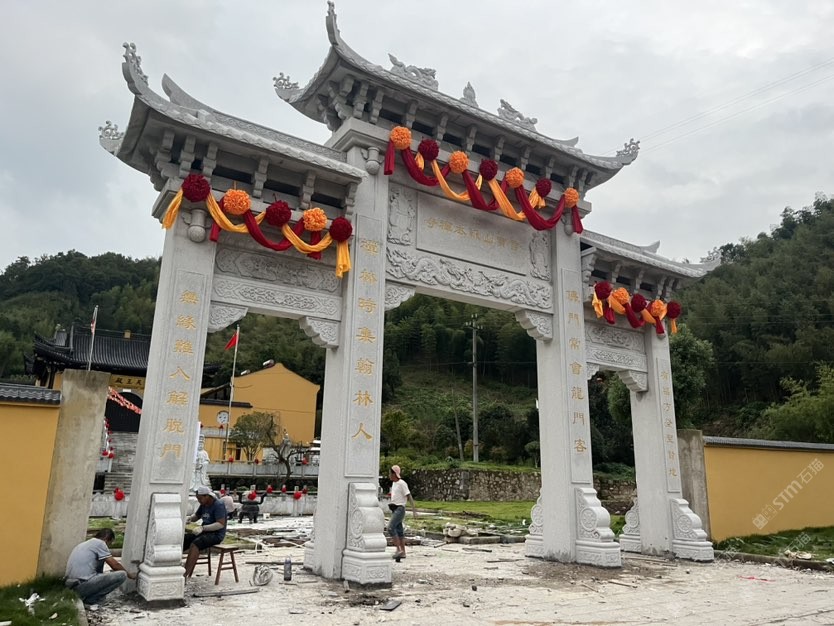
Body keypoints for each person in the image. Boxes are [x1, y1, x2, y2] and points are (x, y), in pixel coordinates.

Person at [65, 528, 135, 605]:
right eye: (109, 544)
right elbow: (115, 565)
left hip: (71, 586)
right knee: (122, 575)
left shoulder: (84, 544)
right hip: (81, 586)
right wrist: (130, 575)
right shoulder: (100, 543)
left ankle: (89, 597)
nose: (108, 547)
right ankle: (92, 599)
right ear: (107, 540)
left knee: (103, 568)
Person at [183, 485, 227, 578]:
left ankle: (185, 574)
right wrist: (190, 519)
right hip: (205, 532)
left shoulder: (218, 505)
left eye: (200, 498)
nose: (199, 501)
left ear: (207, 496)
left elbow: (220, 524)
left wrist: (203, 528)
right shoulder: (203, 504)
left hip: (216, 534)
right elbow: (197, 516)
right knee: (185, 539)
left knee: (196, 544)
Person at [387, 465, 416, 562]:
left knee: (390, 527)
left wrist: (414, 510)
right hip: (395, 508)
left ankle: (398, 549)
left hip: (400, 509)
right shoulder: (394, 484)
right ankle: (403, 552)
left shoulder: (401, 483)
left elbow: (409, 496)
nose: (389, 475)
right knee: (399, 531)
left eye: (390, 473)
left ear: (394, 474)